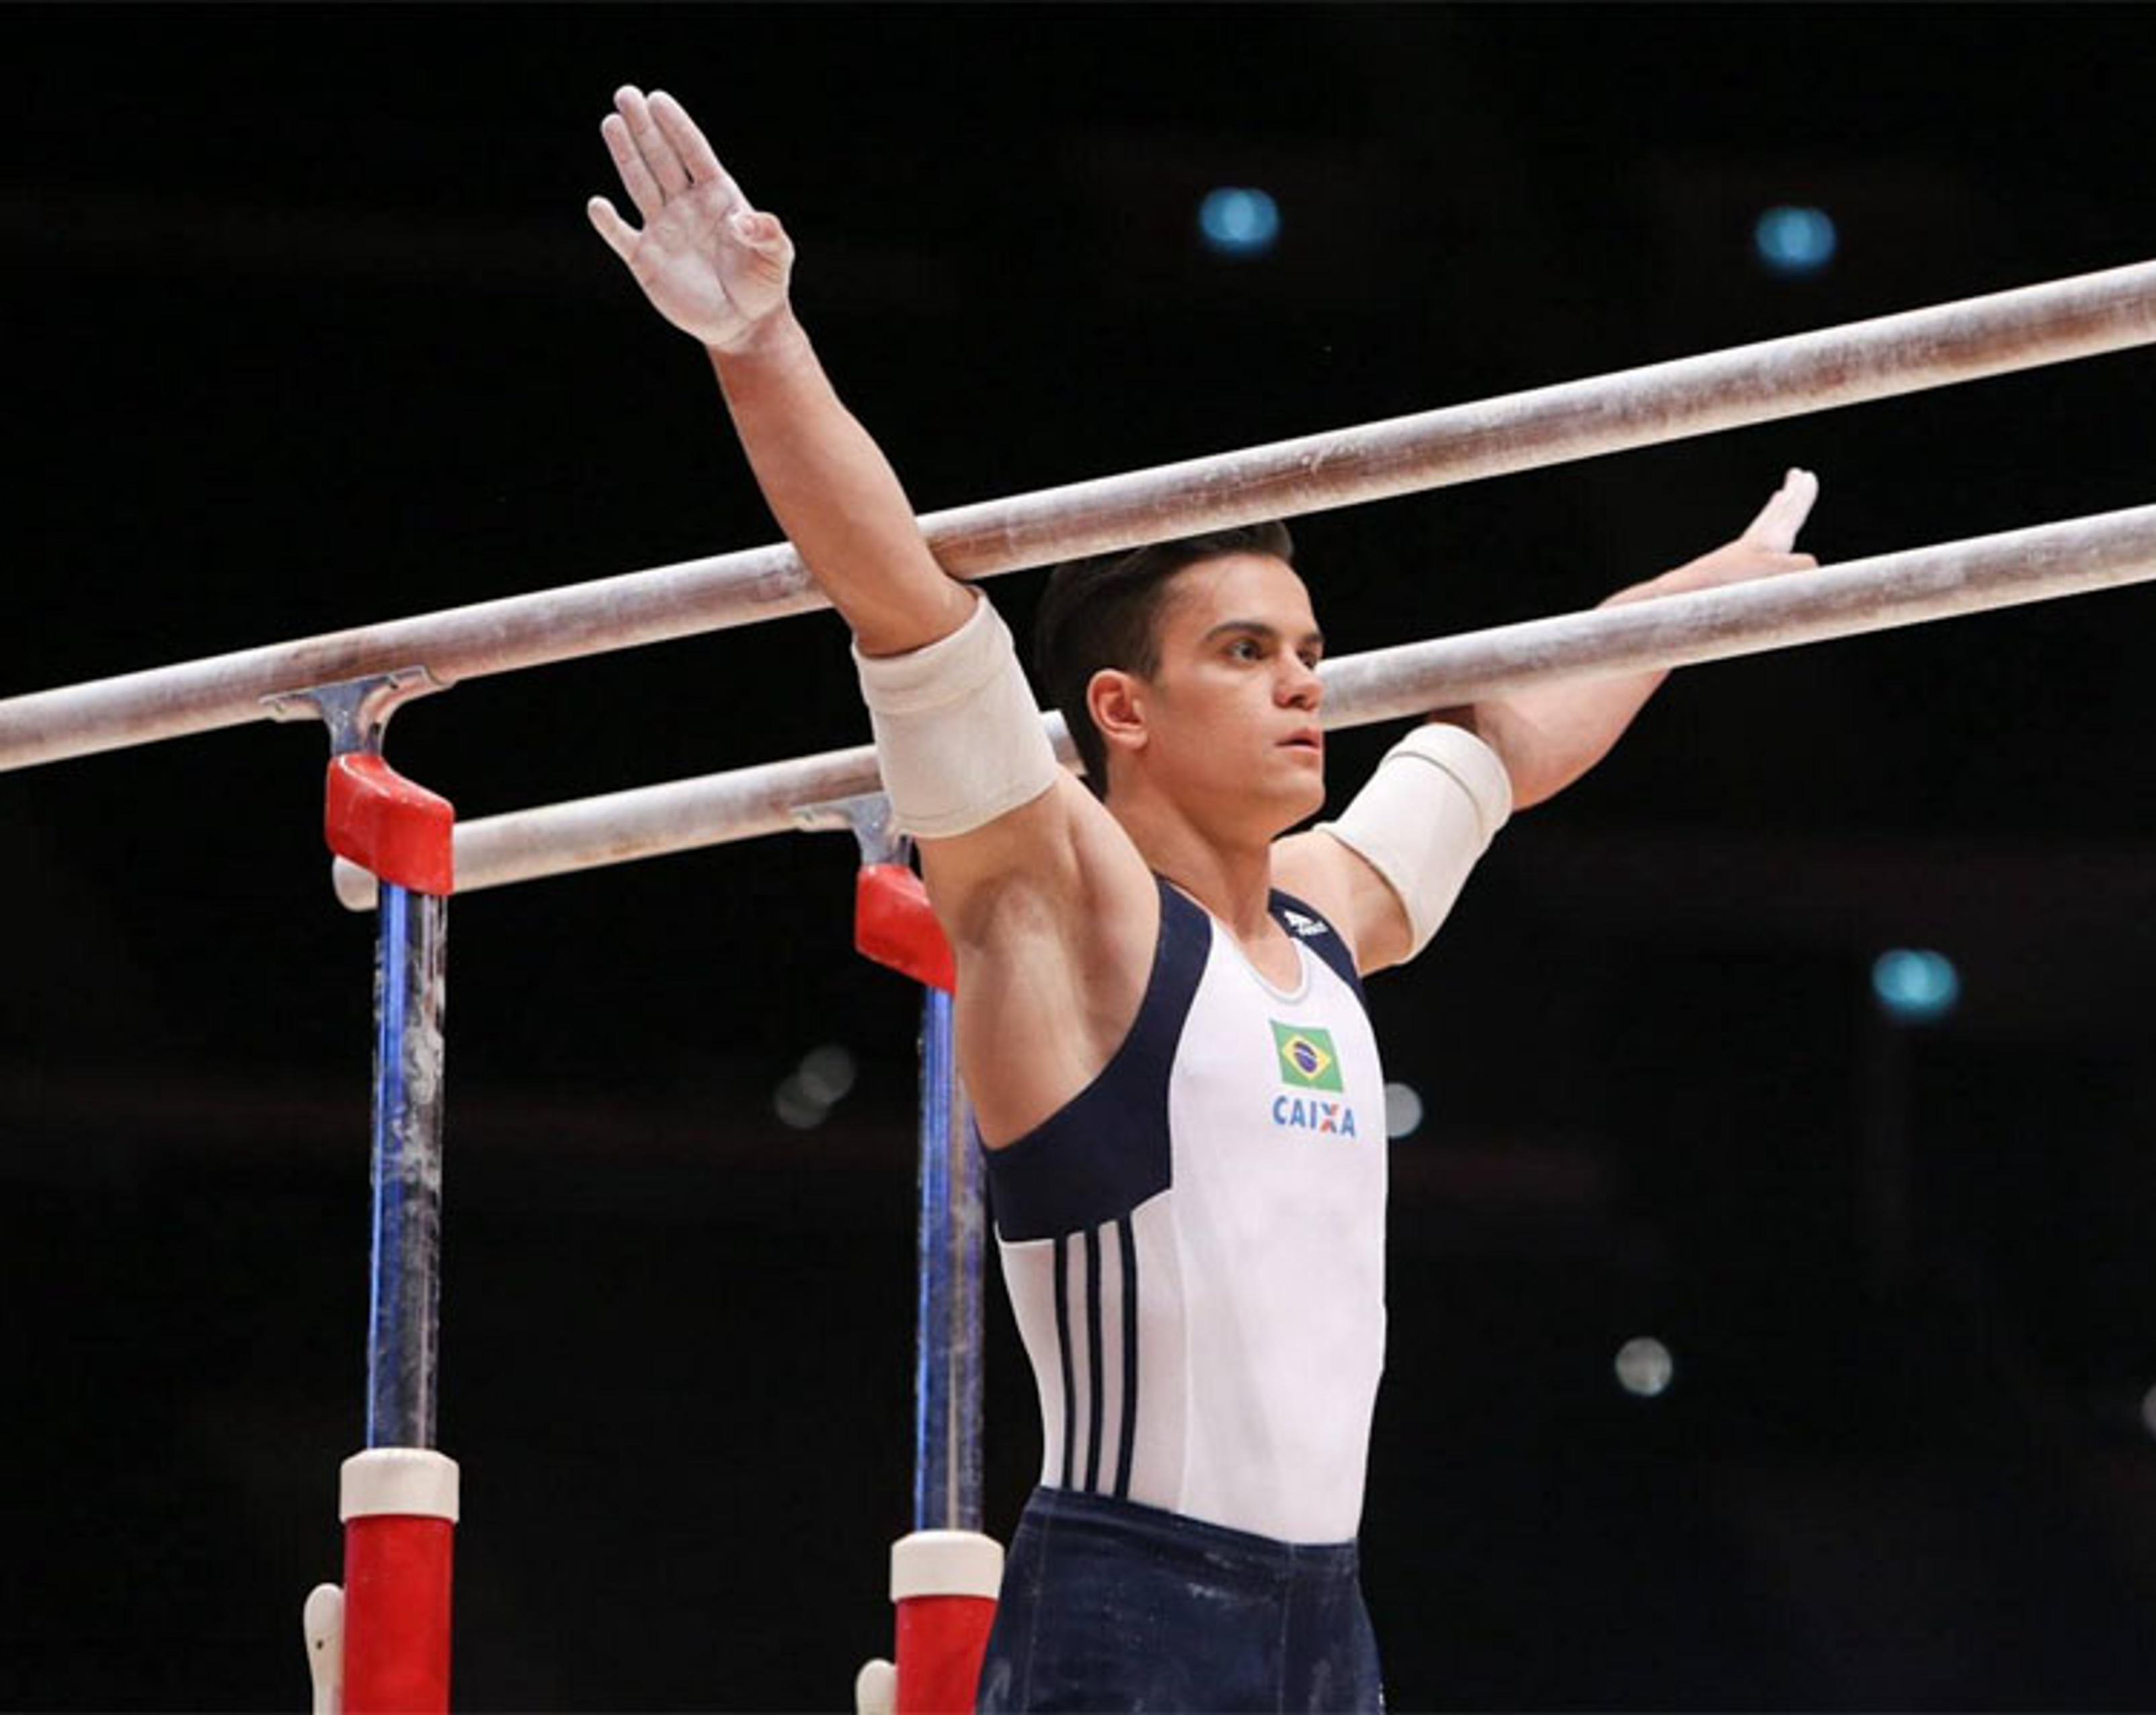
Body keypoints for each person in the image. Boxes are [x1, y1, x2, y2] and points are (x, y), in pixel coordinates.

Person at [588, 85, 1820, 1714]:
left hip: (1331, 1614)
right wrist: (757, 340)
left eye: (1310, 655)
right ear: (1120, 709)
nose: (1307, 687)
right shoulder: (1067, 908)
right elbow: (899, 596)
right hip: (1132, 1600)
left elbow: (1501, 741)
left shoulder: (1325, 920)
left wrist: (1698, 601)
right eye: (1248, 654)